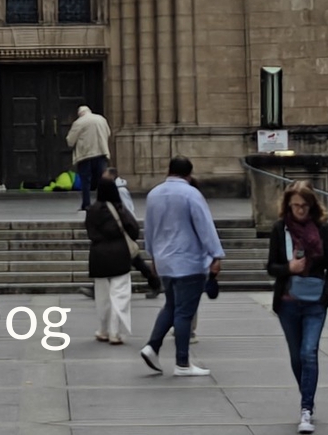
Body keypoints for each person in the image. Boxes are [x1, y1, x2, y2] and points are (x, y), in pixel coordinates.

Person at [265, 182, 328, 435]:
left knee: (309, 353)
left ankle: (305, 408)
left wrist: (325, 298)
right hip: (288, 303)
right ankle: (307, 395)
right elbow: (271, 266)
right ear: (288, 205)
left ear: (311, 206)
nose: (299, 210)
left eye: (303, 206)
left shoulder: (323, 229)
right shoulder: (279, 229)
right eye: (295, 205)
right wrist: (289, 268)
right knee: (297, 357)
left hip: (314, 302)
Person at [141, 153, 224, 378]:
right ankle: (182, 362)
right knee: (184, 312)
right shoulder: (191, 194)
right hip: (189, 261)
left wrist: (153, 256)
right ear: (189, 173)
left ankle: (152, 346)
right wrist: (216, 255)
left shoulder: (154, 194)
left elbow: (149, 228)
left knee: (171, 305)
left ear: (169, 171)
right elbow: (205, 226)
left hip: (165, 260)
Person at [87, 166, 146, 344]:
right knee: (119, 294)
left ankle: (103, 329)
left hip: (98, 256)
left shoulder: (92, 210)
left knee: (102, 296)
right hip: (119, 254)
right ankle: (115, 332)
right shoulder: (119, 208)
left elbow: (91, 232)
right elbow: (133, 230)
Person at [68, 102, 113, 211]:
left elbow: (70, 140)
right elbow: (108, 133)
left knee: (86, 181)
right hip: (101, 153)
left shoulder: (79, 122)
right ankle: (102, 203)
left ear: (80, 114)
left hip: (86, 155)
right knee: (101, 180)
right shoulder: (101, 119)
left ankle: (86, 204)